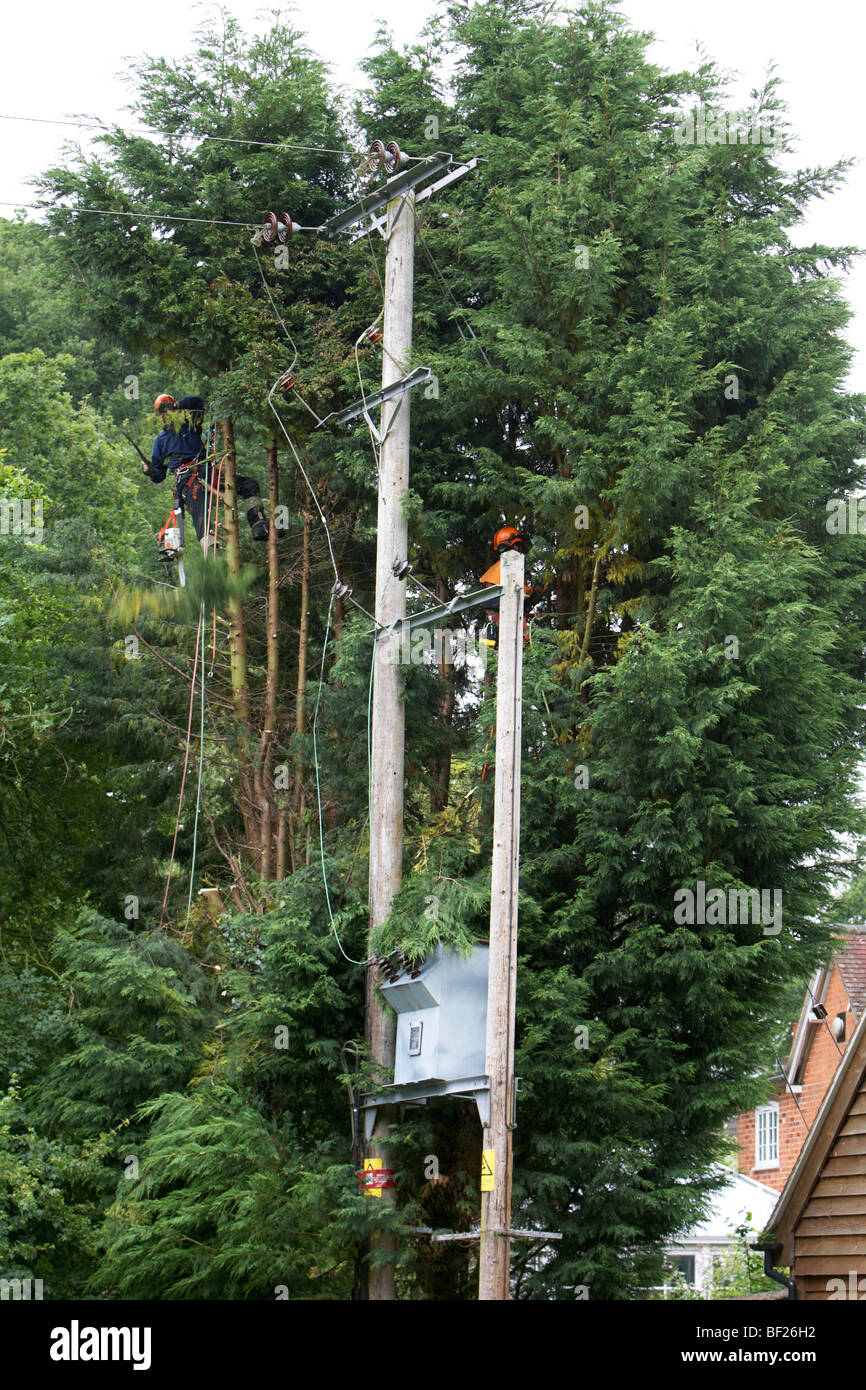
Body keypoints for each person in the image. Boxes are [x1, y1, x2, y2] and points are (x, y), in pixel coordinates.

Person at [142, 394, 269, 549]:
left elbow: (198, 402)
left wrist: (177, 405)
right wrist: (149, 471)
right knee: (200, 510)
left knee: (249, 485)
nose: (164, 416)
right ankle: (210, 549)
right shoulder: (160, 440)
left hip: (209, 473)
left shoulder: (190, 424)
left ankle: (258, 524)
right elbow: (159, 476)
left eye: (166, 411)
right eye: (162, 414)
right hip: (187, 480)